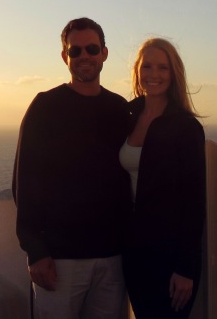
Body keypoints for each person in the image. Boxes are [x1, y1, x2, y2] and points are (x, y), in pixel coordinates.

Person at [12, 17, 132, 319]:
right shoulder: (45, 107)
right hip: (60, 260)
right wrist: (36, 251)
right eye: (75, 51)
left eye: (91, 49)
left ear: (104, 53)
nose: (84, 57)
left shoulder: (120, 109)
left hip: (112, 258)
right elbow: (24, 181)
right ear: (65, 57)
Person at [119, 38, 206, 318]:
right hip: (133, 252)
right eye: (147, 66)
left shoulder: (186, 127)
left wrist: (185, 268)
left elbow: (194, 201)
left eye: (162, 68)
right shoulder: (127, 116)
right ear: (137, 70)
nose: (153, 75)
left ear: (174, 74)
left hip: (169, 258)